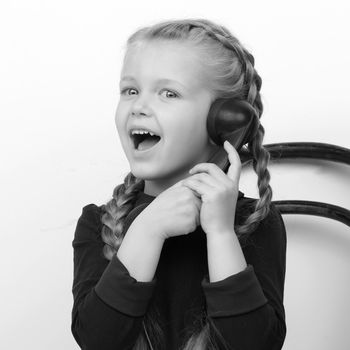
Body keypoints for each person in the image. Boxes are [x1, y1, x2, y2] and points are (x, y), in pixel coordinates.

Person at [71, 18, 287, 350]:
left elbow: (257, 344)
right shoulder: (97, 224)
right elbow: (97, 341)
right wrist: (146, 230)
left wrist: (221, 234)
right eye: (131, 90)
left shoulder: (256, 224)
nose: (139, 107)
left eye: (169, 93)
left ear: (226, 120)